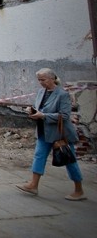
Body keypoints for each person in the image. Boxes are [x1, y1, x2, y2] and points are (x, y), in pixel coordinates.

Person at [16, 68, 85, 201]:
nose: (41, 83)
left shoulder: (62, 94)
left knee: (69, 160)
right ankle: (33, 185)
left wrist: (43, 115)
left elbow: (65, 116)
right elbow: (40, 108)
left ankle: (79, 189)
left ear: (52, 78)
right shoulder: (41, 92)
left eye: (43, 80)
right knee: (39, 156)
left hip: (60, 133)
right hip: (43, 131)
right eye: (39, 80)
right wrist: (32, 111)